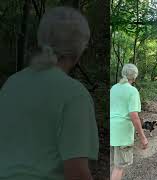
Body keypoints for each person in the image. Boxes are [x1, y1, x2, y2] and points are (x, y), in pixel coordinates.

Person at [0, 7, 99, 180]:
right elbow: (77, 172)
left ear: (42, 40)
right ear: (79, 49)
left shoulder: (11, 84)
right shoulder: (74, 94)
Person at [110, 64, 148, 180]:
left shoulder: (113, 88)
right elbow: (134, 116)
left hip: (112, 130)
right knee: (119, 167)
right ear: (134, 77)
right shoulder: (132, 91)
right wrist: (142, 137)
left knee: (116, 164)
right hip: (123, 133)